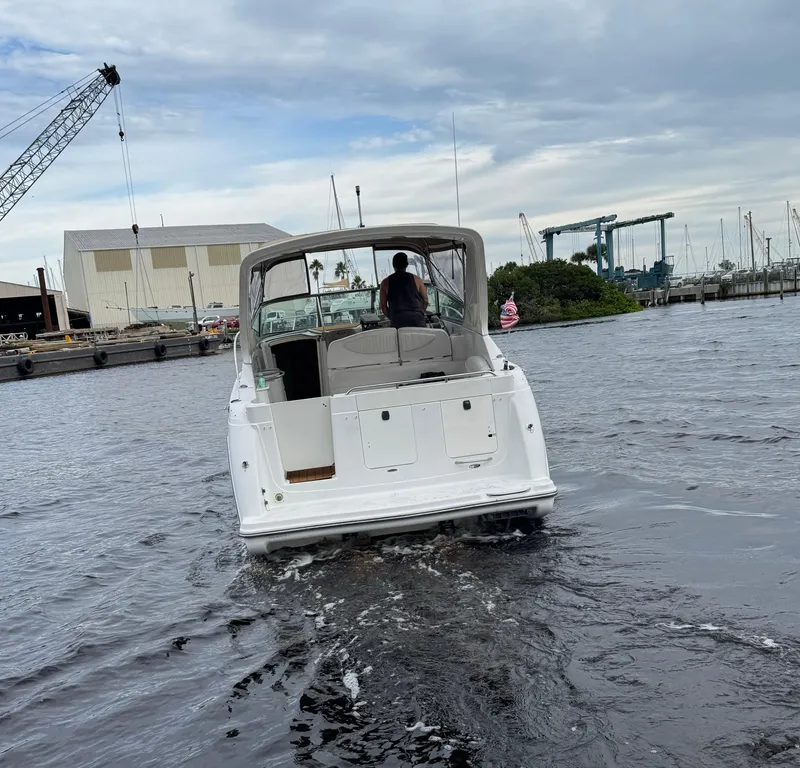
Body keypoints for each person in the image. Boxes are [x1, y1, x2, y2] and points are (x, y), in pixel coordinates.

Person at [379, 252, 428, 328]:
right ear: (406, 264)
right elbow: (425, 300)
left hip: (397, 321)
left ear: (393, 265)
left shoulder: (385, 283)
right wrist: (421, 312)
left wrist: (392, 317)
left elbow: (383, 306)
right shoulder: (417, 279)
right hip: (417, 320)